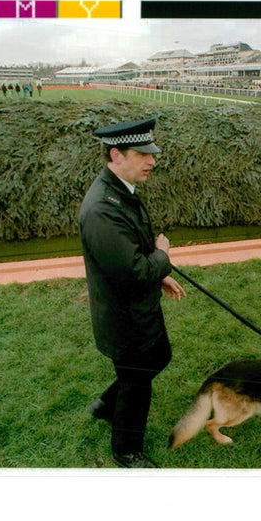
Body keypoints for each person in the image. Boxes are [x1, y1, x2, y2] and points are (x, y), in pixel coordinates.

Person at [79, 118, 186, 468]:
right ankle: (126, 452)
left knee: (158, 358)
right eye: (142, 154)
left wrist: (160, 275)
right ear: (116, 155)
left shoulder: (121, 189)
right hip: (124, 318)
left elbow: (131, 255)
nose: (151, 161)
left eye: (151, 153)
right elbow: (135, 272)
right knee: (137, 384)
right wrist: (162, 258)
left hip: (137, 308)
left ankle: (105, 405)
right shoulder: (102, 209)